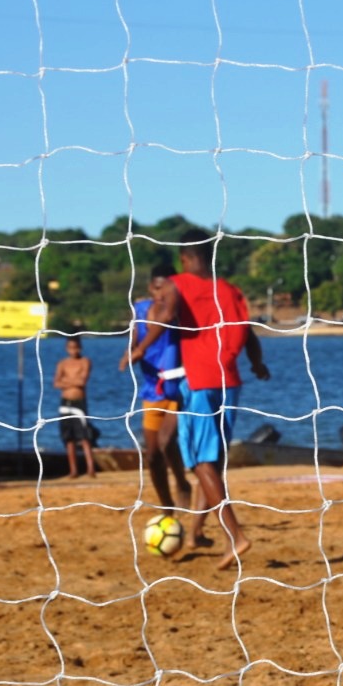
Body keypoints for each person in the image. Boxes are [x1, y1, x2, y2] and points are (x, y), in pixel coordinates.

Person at [127, 228, 270, 570]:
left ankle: (236, 537)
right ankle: (195, 532)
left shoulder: (180, 283)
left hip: (201, 382)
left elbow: (162, 317)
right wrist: (257, 362)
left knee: (201, 464)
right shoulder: (230, 289)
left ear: (185, 258)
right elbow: (248, 331)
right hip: (231, 381)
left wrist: (139, 349)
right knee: (213, 463)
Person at [122, 262, 194, 511]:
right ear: (150, 288)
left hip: (180, 387)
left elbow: (168, 322)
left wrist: (140, 350)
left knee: (166, 441)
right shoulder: (140, 310)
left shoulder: (177, 312)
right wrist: (131, 353)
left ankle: (183, 483)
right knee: (152, 455)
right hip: (152, 390)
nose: (161, 295)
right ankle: (166, 504)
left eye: (166, 289)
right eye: (157, 288)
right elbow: (133, 342)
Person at [54, 335, 96, 479]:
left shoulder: (85, 361)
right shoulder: (62, 363)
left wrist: (66, 380)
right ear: (67, 349)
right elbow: (56, 383)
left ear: (80, 348)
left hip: (79, 403)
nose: (73, 351)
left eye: (76, 347)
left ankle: (91, 468)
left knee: (84, 436)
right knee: (68, 437)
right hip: (65, 403)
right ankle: (74, 470)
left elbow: (82, 381)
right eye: (70, 348)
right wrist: (72, 381)